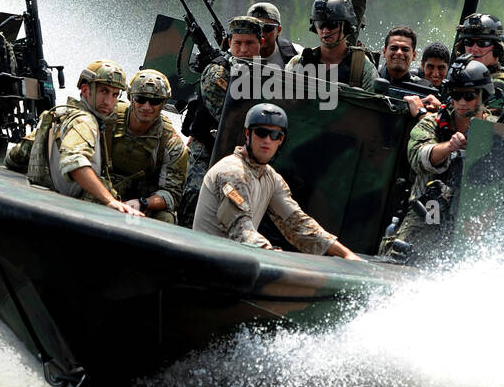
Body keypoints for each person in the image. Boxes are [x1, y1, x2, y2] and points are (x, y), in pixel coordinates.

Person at [193, 103, 361, 258]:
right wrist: (270, 252)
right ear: (247, 134)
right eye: (261, 132)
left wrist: (346, 255)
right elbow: (240, 229)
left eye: (275, 135)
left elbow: (297, 223)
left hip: (234, 263)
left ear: (281, 140)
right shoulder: (232, 172)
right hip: (208, 265)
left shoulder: (269, 177)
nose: (267, 140)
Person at [380, 57, 496, 261]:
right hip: (429, 213)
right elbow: (419, 156)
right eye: (455, 95)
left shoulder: (495, 129)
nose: (461, 102)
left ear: (482, 96)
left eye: (468, 96)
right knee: (394, 261)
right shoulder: (431, 124)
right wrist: (450, 147)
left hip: (474, 216)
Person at [26, 60, 144, 215]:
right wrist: (109, 200)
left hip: (48, 203)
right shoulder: (85, 122)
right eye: (104, 91)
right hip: (75, 211)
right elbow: (74, 160)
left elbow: (17, 155)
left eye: (115, 94)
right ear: (85, 90)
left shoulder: (60, 115)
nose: (109, 101)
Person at [179, 16, 265, 224]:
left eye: (250, 43)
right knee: (196, 193)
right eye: (238, 43)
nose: (243, 49)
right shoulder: (218, 71)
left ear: (261, 43)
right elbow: (226, 116)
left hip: (245, 149)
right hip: (209, 146)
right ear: (229, 43)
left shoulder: (266, 74)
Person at [105, 69, 189, 224]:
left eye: (155, 101)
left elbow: (172, 194)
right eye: (141, 99)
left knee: (166, 218)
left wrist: (143, 203)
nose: (147, 106)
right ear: (130, 97)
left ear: (163, 103)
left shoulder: (171, 143)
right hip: (101, 192)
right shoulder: (107, 119)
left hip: (139, 206)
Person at [286, 0, 377, 91]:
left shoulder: (361, 67)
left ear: (346, 27)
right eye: (320, 24)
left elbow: (374, 104)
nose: (325, 31)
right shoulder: (298, 62)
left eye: (332, 25)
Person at [377, 25, 439, 117]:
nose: (399, 52)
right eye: (394, 48)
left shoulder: (424, 90)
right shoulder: (371, 78)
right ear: (384, 52)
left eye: (405, 49)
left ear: (414, 55)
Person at [247, 1, 298, 69]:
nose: (261, 34)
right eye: (254, 28)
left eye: (267, 28)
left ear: (278, 30)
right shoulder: (234, 54)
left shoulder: (296, 54)